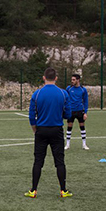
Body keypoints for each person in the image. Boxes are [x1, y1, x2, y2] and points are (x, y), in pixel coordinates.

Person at [25, 68, 72, 198]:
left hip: (41, 130)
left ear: (43, 77)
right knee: (60, 162)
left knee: (38, 161)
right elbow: (68, 114)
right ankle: (63, 190)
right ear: (56, 78)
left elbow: (31, 115)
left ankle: (33, 190)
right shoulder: (63, 94)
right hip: (56, 130)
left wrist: (35, 129)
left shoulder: (37, 94)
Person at [65, 74, 89, 150]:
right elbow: (65, 99)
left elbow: (86, 101)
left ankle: (84, 144)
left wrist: (85, 112)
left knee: (82, 127)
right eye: (72, 79)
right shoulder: (69, 88)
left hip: (80, 111)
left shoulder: (83, 89)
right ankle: (67, 144)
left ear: (78, 80)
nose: (72, 81)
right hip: (71, 111)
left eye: (74, 80)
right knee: (69, 127)